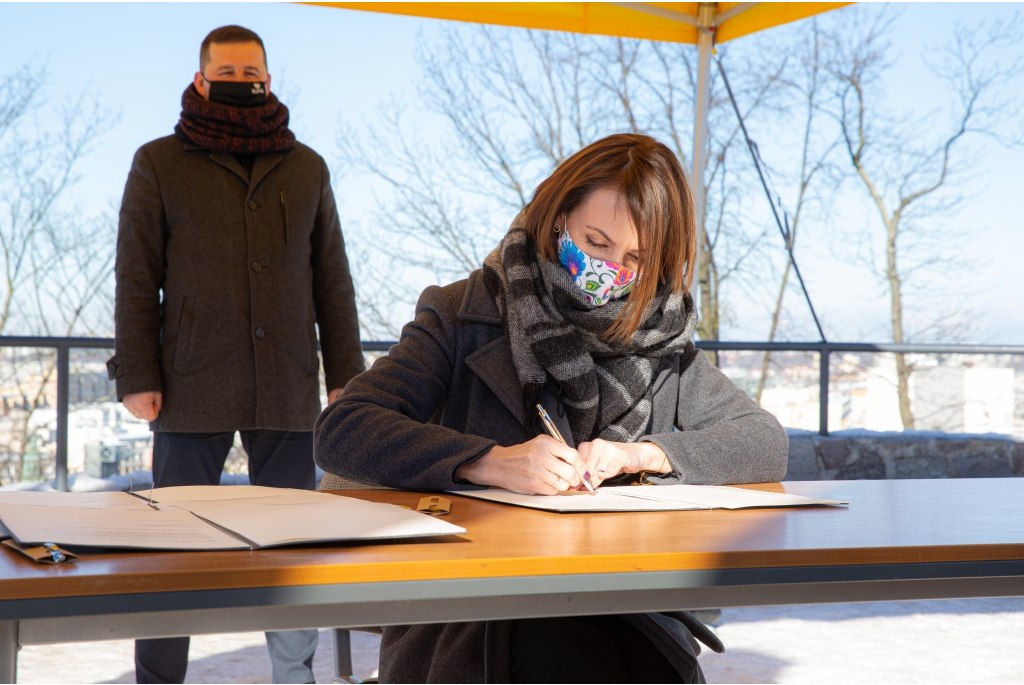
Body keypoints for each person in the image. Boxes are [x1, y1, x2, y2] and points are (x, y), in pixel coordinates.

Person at [313, 133, 789, 683]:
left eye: (636, 257)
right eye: (595, 241)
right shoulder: (461, 314)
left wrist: (645, 455)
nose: (609, 269)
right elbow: (343, 429)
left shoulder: (660, 338)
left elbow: (765, 440)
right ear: (557, 216)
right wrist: (487, 461)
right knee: (561, 654)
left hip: (630, 607)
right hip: (473, 614)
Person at [108, 25, 365, 684]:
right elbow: (136, 272)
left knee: (290, 552)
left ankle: (295, 676)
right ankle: (157, 679)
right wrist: (135, 373)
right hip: (188, 383)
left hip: (286, 385)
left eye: (250, 69)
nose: (239, 79)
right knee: (172, 552)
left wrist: (347, 377)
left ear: (269, 80)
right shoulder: (158, 161)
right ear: (200, 79)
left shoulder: (306, 166)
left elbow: (331, 277)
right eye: (225, 69)